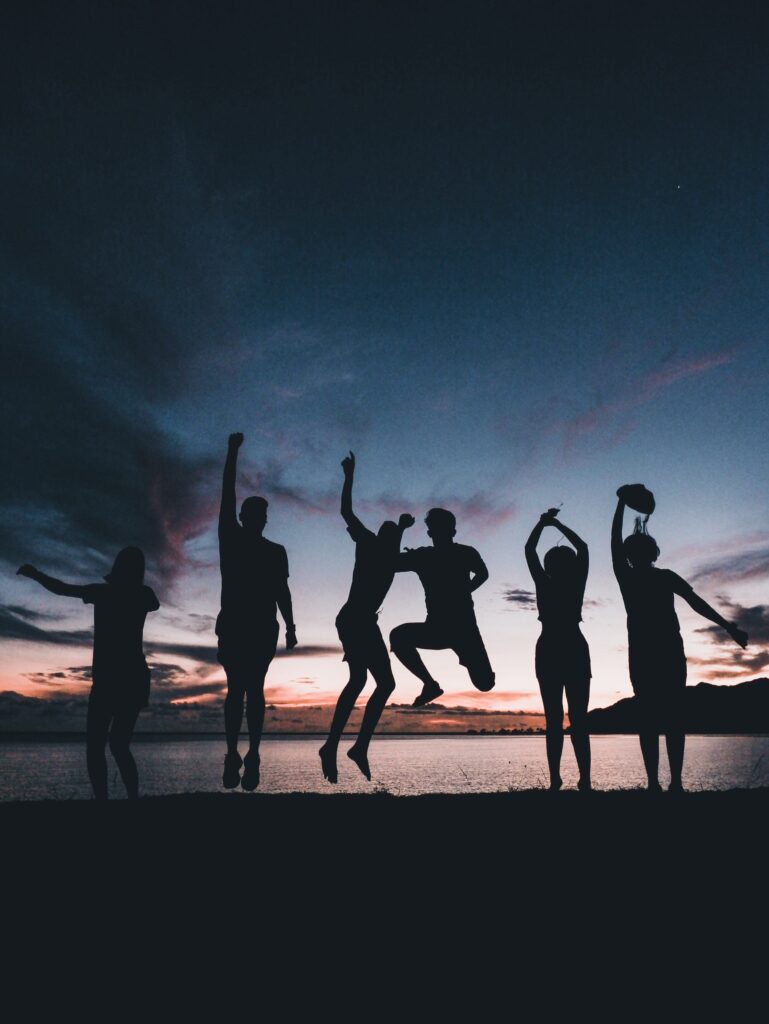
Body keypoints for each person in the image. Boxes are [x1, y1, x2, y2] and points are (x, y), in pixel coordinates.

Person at [612, 485, 748, 792]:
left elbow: (697, 603)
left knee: (661, 718)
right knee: (662, 718)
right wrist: (620, 504)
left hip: (662, 654)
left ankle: (666, 783)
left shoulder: (653, 577)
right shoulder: (634, 578)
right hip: (657, 654)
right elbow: (614, 543)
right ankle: (662, 783)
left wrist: (728, 626)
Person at [17, 547, 159, 800]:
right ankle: (130, 801)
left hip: (112, 679)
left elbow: (63, 589)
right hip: (131, 678)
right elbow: (153, 602)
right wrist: (37, 576)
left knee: (98, 747)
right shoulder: (141, 594)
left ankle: (108, 802)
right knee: (117, 746)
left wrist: (36, 575)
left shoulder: (104, 593)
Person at [319, 452, 414, 783]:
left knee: (378, 682)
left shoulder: (390, 558)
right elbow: (346, 510)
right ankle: (336, 746)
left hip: (362, 621)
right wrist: (349, 475)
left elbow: (399, 547)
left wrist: (401, 528)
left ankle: (351, 747)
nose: (390, 536)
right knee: (369, 681)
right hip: (353, 619)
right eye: (388, 532)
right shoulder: (370, 545)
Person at [217, 432, 297, 790]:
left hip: (261, 627)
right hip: (238, 625)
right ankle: (237, 753)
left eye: (263, 514)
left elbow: (282, 589)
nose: (261, 518)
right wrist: (232, 452)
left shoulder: (275, 551)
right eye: (256, 513)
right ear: (247, 517)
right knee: (241, 689)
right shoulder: (231, 538)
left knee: (250, 689)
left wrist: (292, 626)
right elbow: (226, 492)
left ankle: (249, 754)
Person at [389, 508, 495, 706]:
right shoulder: (423, 555)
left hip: (465, 630)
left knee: (485, 684)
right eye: (435, 529)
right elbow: (392, 564)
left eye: (442, 529)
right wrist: (400, 529)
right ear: (430, 533)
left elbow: (483, 573)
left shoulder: (465, 552)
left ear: (453, 532)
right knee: (398, 636)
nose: (438, 533)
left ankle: (475, 669)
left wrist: (464, 591)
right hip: (437, 628)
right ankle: (430, 684)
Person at [525, 509, 591, 792]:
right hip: (571, 647)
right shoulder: (574, 584)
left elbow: (530, 549)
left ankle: (558, 780)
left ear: (550, 566)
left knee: (555, 719)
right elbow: (584, 548)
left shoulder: (544, 583)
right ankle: (581, 780)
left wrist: (544, 523)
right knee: (577, 719)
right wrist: (557, 524)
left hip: (552, 647)